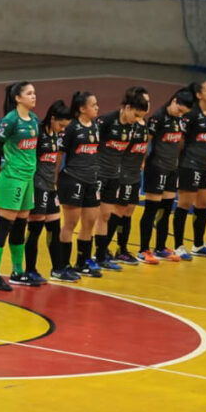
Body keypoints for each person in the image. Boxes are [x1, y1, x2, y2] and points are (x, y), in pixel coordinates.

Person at [0, 81, 39, 290]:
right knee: (4, 224)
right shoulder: (10, 120)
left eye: (34, 93)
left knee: (20, 224)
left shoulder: (34, 119)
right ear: (18, 98)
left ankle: (18, 272)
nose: (34, 96)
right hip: (13, 177)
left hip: (28, 177)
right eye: (29, 93)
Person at [93, 89, 149, 270]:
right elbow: (91, 142)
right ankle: (89, 257)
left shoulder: (132, 127)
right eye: (135, 114)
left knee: (106, 215)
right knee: (91, 217)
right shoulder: (107, 120)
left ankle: (102, 255)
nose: (137, 119)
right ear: (127, 107)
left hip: (114, 175)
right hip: (99, 174)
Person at [138, 88, 194, 263]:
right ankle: (143, 250)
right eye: (179, 110)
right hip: (157, 167)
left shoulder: (180, 119)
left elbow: (179, 142)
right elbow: (146, 139)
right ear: (174, 101)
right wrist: (142, 161)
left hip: (172, 169)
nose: (180, 114)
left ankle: (160, 247)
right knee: (151, 209)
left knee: (166, 209)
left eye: (183, 113)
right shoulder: (158, 117)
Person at [56, 91, 102, 279]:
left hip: (92, 180)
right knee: (70, 223)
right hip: (73, 179)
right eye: (93, 105)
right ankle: (63, 266)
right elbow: (59, 154)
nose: (97, 107)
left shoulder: (96, 127)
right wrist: (55, 178)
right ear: (82, 109)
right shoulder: (72, 128)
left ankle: (81, 263)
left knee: (90, 222)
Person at [26, 101, 72, 283]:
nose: (62, 129)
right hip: (37, 185)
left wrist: (54, 182)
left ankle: (58, 268)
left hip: (50, 186)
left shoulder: (56, 135)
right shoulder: (37, 132)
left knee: (54, 226)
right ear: (52, 118)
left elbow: (55, 160)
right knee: (35, 228)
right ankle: (30, 270)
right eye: (60, 125)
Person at [174, 80, 206, 259]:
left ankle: (199, 245)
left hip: (205, 166)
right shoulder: (191, 115)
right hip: (189, 165)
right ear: (199, 95)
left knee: (203, 205)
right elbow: (179, 139)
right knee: (184, 204)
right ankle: (178, 246)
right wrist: (179, 163)